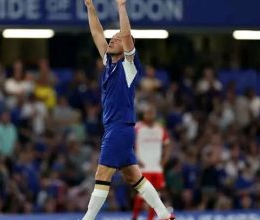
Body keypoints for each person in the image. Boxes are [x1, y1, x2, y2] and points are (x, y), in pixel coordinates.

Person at [82, 0, 175, 219]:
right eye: (111, 39)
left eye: (116, 39)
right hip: (118, 129)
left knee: (102, 173)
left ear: (126, 47)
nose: (112, 40)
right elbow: (97, 33)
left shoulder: (128, 65)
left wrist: (122, 7)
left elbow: (126, 36)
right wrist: (90, 7)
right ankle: (163, 214)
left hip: (119, 128)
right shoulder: (109, 63)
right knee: (134, 177)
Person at [133, 105, 172, 220]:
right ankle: (134, 217)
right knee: (143, 194)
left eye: (152, 112)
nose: (150, 115)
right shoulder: (137, 128)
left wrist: (165, 159)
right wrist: (135, 159)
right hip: (143, 167)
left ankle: (150, 218)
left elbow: (168, 145)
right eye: (148, 112)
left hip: (157, 167)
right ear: (143, 115)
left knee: (156, 194)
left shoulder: (160, 129)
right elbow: (128, 144)